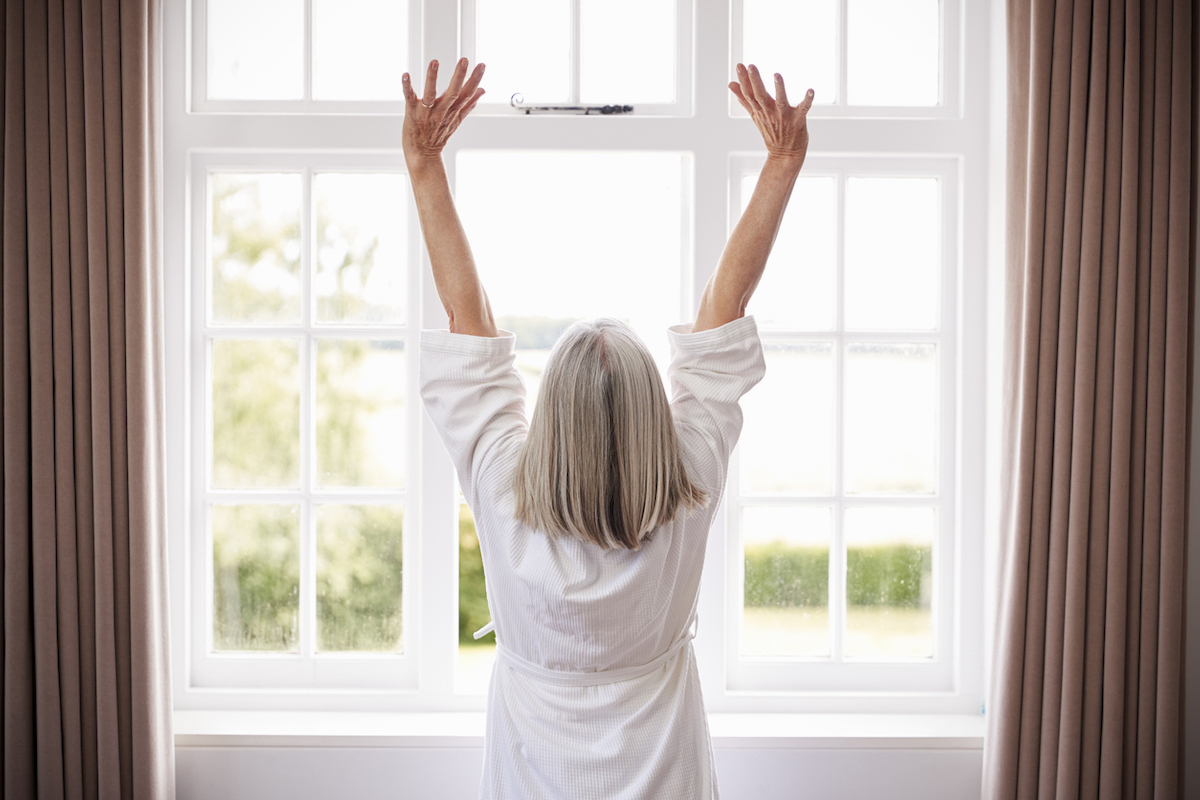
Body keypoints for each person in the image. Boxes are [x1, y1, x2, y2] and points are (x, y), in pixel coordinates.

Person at [402, 57, 814, 800]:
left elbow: (468, 324)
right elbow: (727, 306)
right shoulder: (688, 482)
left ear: (551, 419)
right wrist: (782, 163)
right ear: (653, 414)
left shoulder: (501, 486)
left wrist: (425, 164)